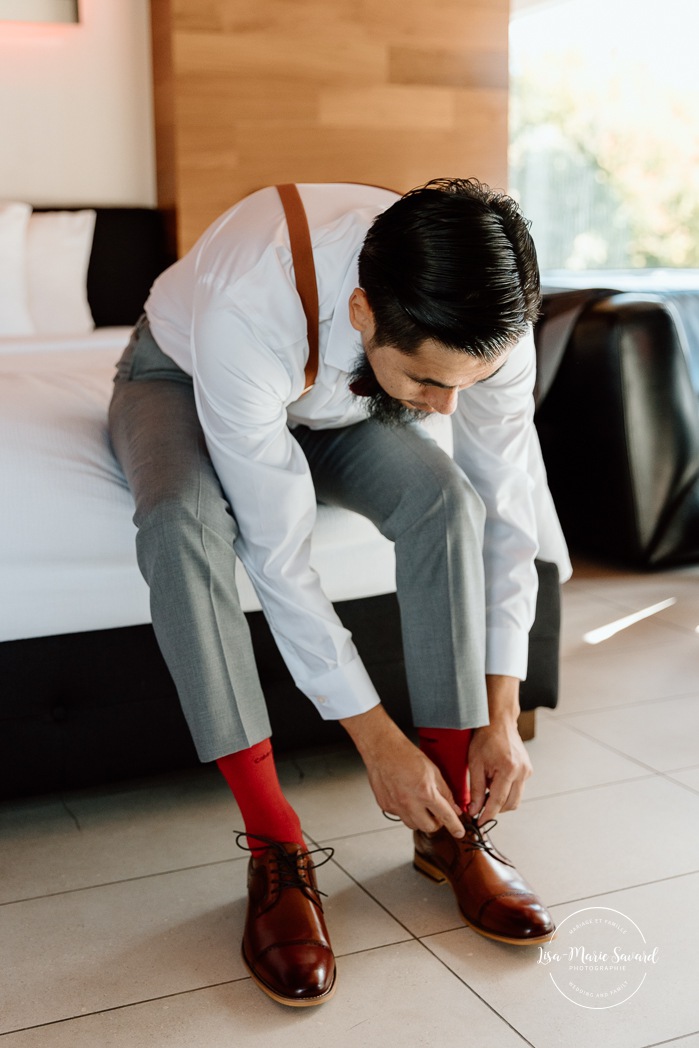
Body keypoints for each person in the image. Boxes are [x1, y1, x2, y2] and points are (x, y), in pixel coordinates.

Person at [108, 178, 571, 1008]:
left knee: (448, 500)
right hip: (180, 376)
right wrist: (375, 740)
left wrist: (500, 713)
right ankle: (274, 843)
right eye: (428, 384)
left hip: (337, 406)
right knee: (182, 524)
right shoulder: (244, 307)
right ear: (363, 312)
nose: (445, 410)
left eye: (468, 384)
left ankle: (448, 822)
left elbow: (508, 511)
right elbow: (278, 553)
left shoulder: (490, 318)